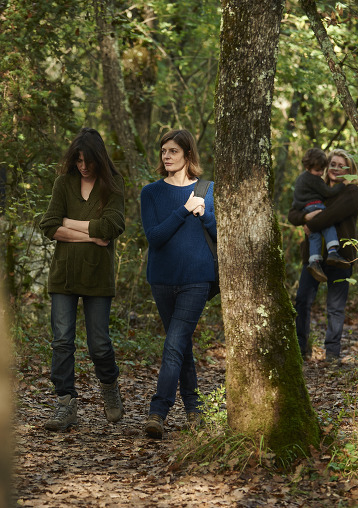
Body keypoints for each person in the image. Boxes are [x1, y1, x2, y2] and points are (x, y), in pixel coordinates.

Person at [39, 128, 126, 431]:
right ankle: (66, 404)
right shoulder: (64, 184)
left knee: (99, 343)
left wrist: (70, 225)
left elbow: (112, 226)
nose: (83, 166)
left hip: (97, 278)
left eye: (87, 160)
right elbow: (49, 225)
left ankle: (110, 388)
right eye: (78, 161)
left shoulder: (113, 186)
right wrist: (92, 233)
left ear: (98, 158)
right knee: (62, 341)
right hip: (63, 276)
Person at [140, 129, 216, 439]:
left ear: (187, 155)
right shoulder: (151, 193)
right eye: (163, 151)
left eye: (173, 151)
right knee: (180, 344)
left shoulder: (207, 190)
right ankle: (194, 409)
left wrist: (203, 213)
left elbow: (218, 232)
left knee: (173, 344)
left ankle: (157, 412)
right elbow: (155, 238)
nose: (167, 156)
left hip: (197, 279)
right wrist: (184, 210)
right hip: (162, 278)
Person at [288, 148, 358, 364]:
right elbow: (293, 214)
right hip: (313, 257)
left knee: (335, 308)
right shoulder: (315, 186)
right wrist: (304, 215)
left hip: (340, 257)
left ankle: (332, 355)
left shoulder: (351, 192)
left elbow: (332, 214)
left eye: (342, 165)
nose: (336, 168)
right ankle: (302, 350)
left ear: (350, 170)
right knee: (302, 301)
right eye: (333, 164)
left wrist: (310, 223)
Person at [291, 147, 352, 283]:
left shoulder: (301, 179)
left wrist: (307, 220)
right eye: (318, 170)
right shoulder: (315, 180)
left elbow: (295, 202)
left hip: (305, 207)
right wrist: (343, 184)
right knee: (327, 225)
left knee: (315, 235)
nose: (320, 173)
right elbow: (328, 193)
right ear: (308, 167)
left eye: (321, 170)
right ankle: (333, 252)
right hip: (315, 205)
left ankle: (314, 261)